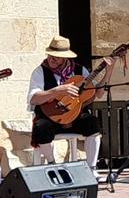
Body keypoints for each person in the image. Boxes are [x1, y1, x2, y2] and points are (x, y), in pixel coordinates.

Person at [27, 36, 106, 171]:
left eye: (57, 57)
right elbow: (33, 99)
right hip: (50, 117)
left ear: (65, 58)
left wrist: (108, 72)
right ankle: (52, 165)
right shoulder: (40, 72)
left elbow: (96, 93)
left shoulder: (80, 71)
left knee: (92, 123)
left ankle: (91, 169)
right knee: (41, 127)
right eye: (50, 55)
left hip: (75, 117)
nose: (52, 59)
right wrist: (58, 90)